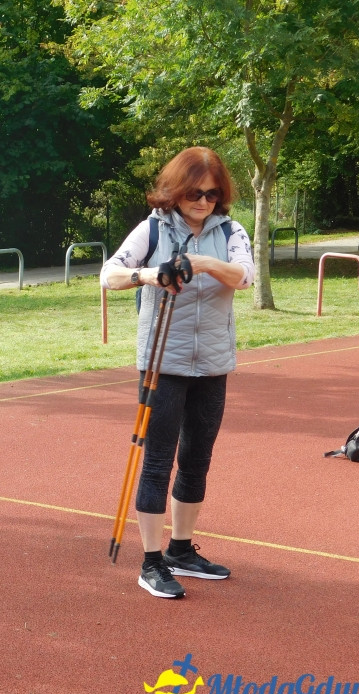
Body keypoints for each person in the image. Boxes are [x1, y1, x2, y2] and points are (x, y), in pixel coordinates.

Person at [100, 146, 255, 599]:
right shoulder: (152, 227)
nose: (203, 202)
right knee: (157, 461)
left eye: (212, 194)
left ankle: (181, 550)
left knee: (197, 459)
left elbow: (244, 276)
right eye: (194, 193)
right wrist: (150, 275)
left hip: (212, 364)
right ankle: (150, 562)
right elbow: (109, 275)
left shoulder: (231, 230)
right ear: (176, 190)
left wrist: (202, 263)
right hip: (162, 364)